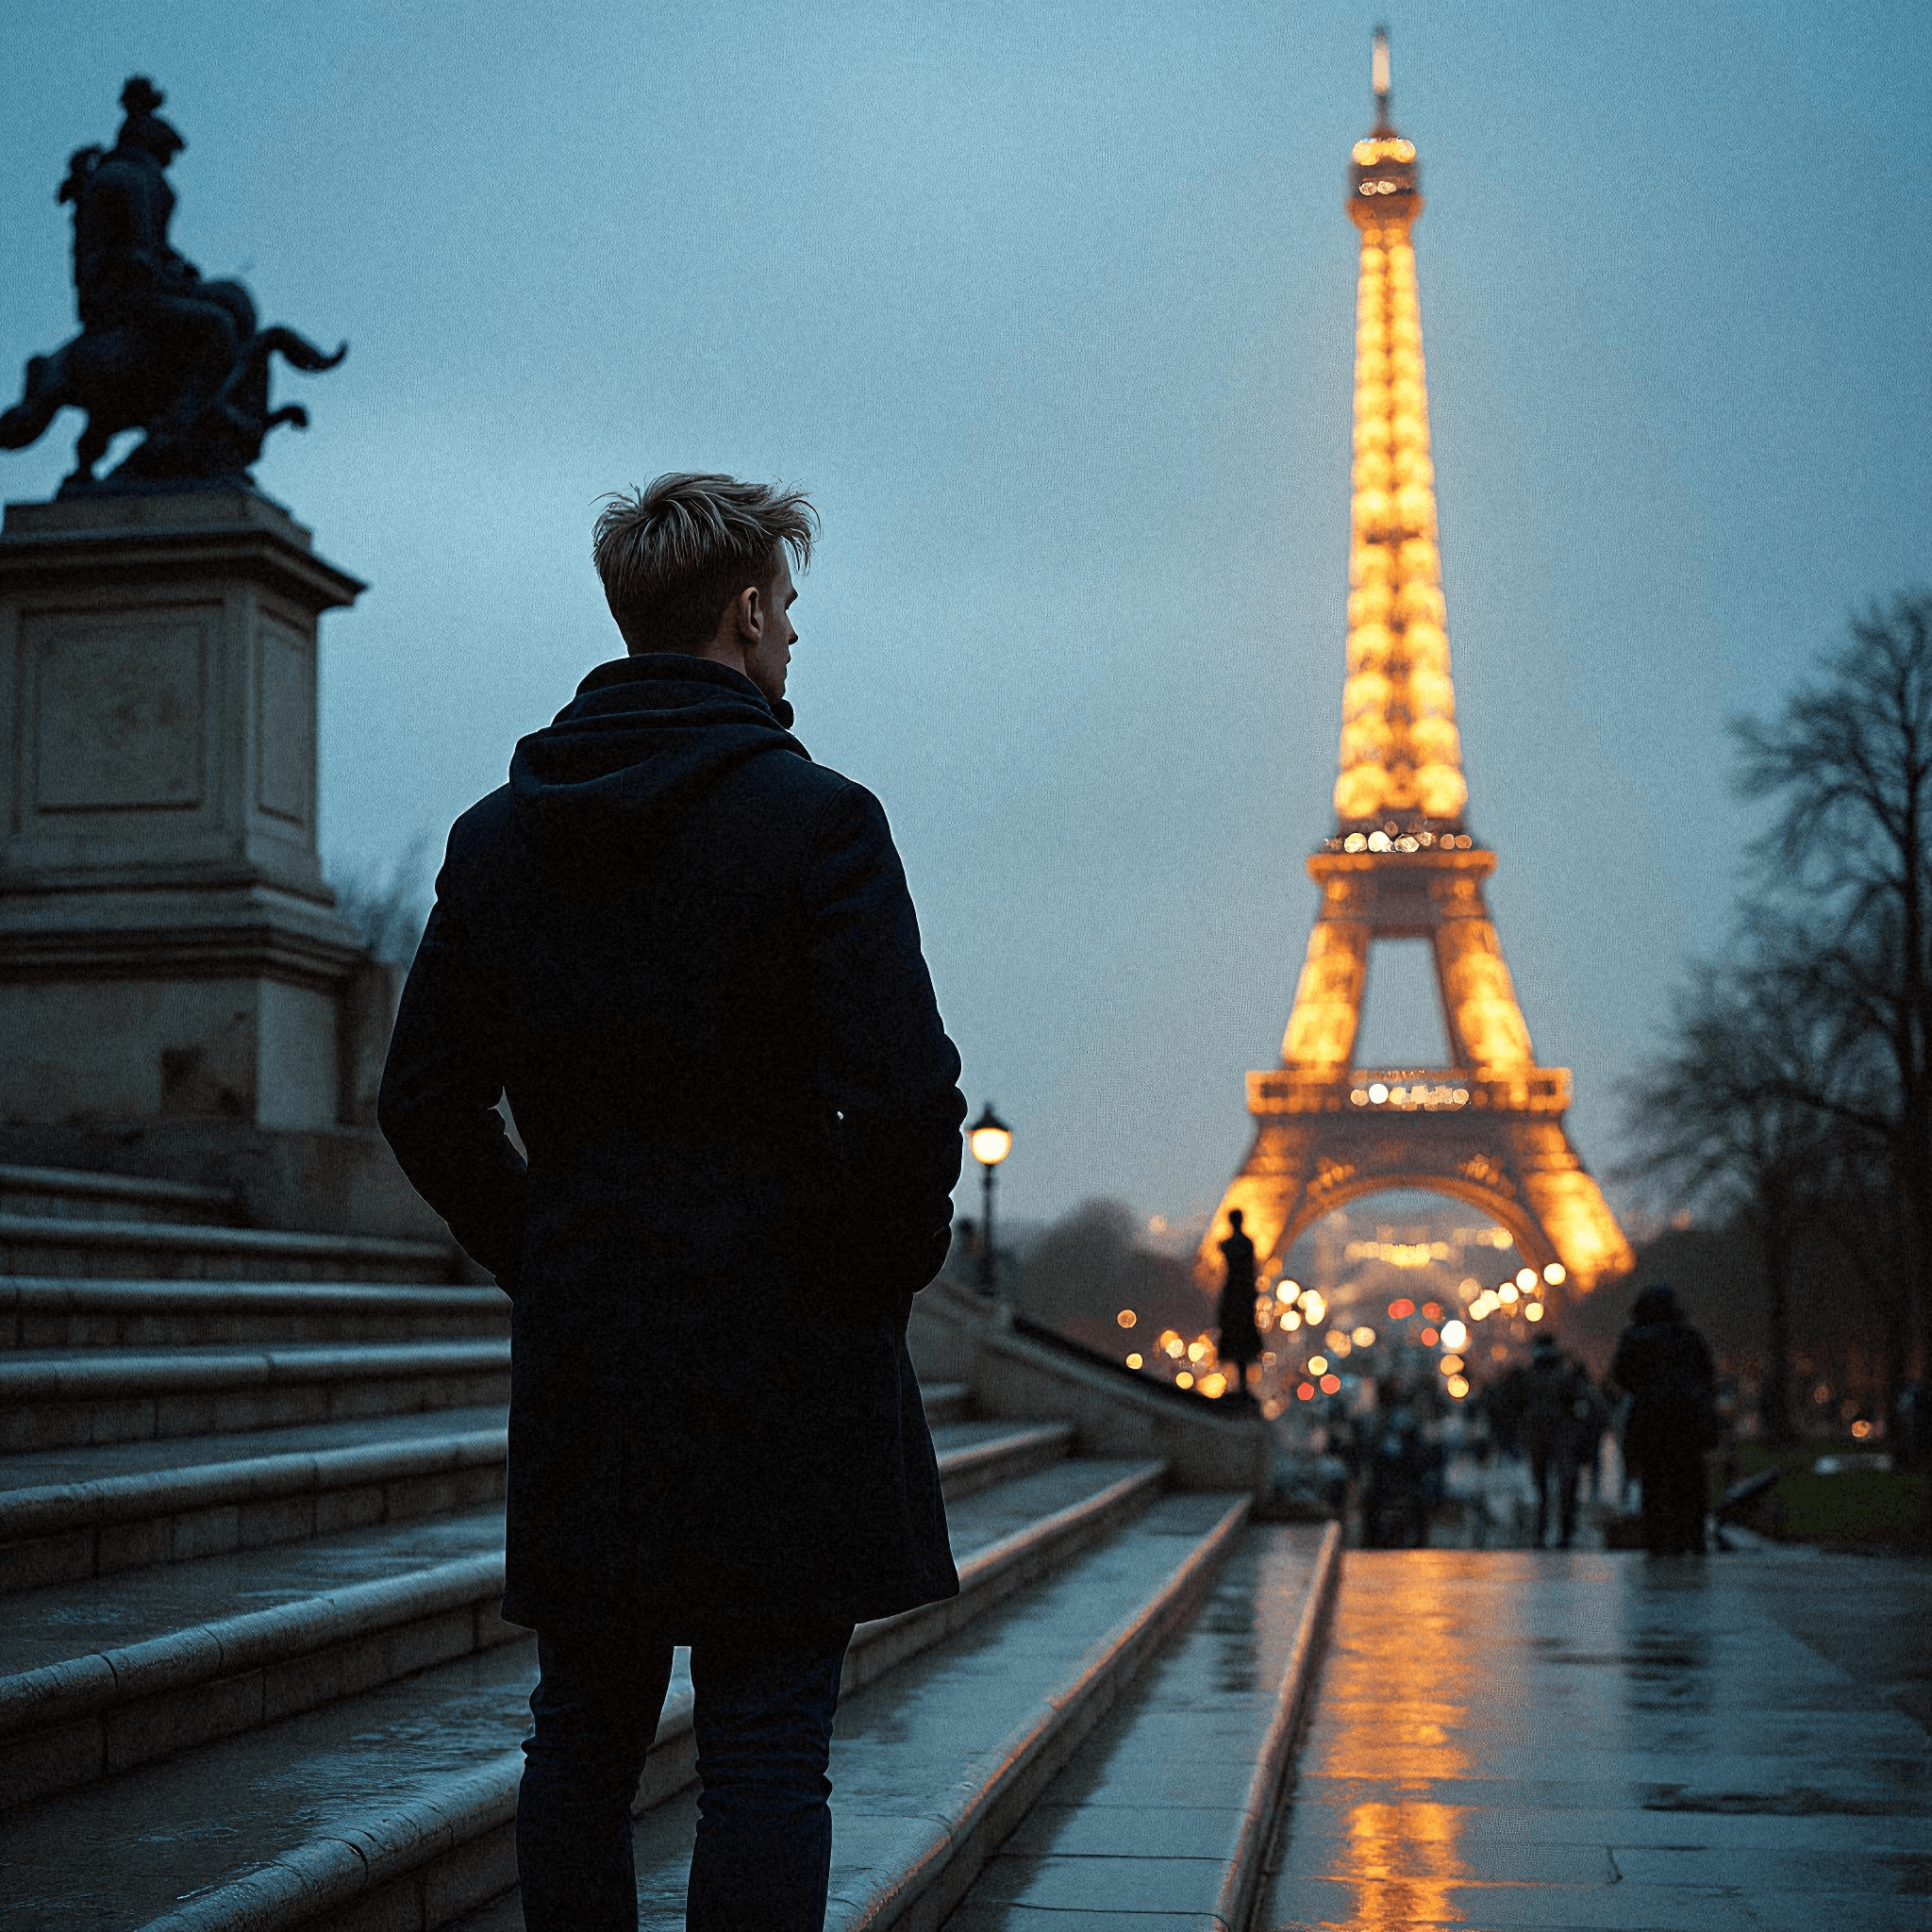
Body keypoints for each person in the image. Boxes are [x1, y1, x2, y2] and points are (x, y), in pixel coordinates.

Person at [378, 475, 968, 1932]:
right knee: (767, 1741)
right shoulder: (817, 819)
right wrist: (857, 1284)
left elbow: (422, 1103)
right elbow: (906, 1102)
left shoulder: (499, 835)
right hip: (785, 1348)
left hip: (599, 1347)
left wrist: (554, 1255)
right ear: (750, 611)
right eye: (788, 614)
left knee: (581, 1733)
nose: (791, 644)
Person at [1609, 1282, 1717, 1556]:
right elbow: (1707, 1374)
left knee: (1653, 1483)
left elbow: (1621, 1376)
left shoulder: (1634, 1338)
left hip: (1649, 1421)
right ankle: (1691, 1538)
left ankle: (1658, 1542)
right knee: (1689, 1484)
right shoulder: (1689, 1337)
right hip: (1685, 1422)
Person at [1520, 1336, 1585, 1549]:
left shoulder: (1529, 1377)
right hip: (1561, 1437)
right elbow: (1579, 1404)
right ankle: (1564, 1533)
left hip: (1541, 1437)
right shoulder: (1564, 1376)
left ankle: (1541, 1533)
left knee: (1542, 1490)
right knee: (1563, 1487)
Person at [1215, 1208, 1263, 1402]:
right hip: (1243, 1294)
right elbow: (1252, 1269)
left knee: (1234, 1338)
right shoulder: (1246, 1243)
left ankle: (1237, 1385)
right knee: (1242, 1339)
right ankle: (1240, 1385)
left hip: (1234, 1294)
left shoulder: (1228, 1245)